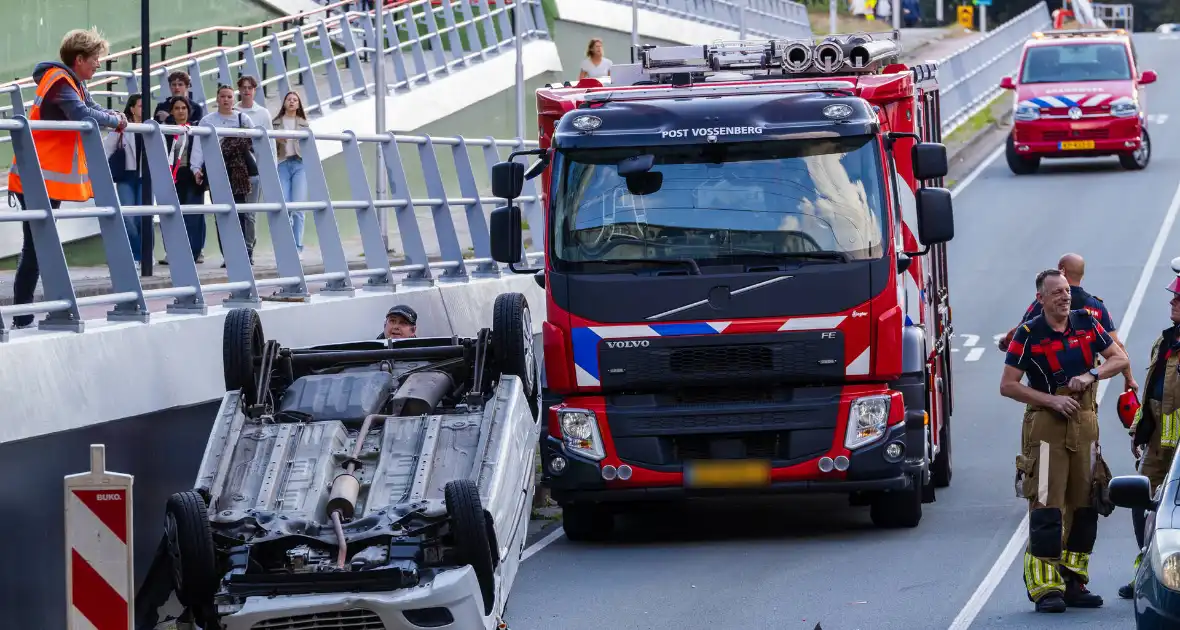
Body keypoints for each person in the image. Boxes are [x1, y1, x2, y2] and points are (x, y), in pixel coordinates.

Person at [1001, 268, 1129, 613]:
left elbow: (1119, 358)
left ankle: (1074, 581)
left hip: (1085, 424)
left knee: (1086, 503)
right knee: (1046, 505)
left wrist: (1091, 373)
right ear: (1040, 298)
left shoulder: (1087, 322)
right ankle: (1046, 587)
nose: (1064, 297)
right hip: (1045, 428)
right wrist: (1051, 400)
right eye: (1056, 292)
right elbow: (1008, 384)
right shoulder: (1028, 334)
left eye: (1066, 292)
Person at [7, 27, 127, 329]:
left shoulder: (68, 82)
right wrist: (115, 122)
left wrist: (115, 118)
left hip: (42, 178)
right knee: (36, 245)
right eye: (95, 59)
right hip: (37, 178)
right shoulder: (60, 82)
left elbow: (90, 106)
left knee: (37, 245)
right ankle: (22, 315)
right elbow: (81, 114)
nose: (99, 64)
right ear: (79, 58)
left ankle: (26, 313)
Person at [1118, 268, 1180, 599]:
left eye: (1179, 298)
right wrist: (1138, 431)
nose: (1172, 301)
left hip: (1179, 453)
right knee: (1145, 506)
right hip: (1157, 448)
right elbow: (1152, 394)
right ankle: (1146, 571)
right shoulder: (1166, 340)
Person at [997, 253, 1137, 394]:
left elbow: (1019, 331)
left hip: (1046, 391)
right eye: (1059, 292)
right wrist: (1129, 378)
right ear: (1082, 275)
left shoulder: (1043, 302)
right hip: (1085, 387)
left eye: (1067, 291)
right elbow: (1118, 346)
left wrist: (1006, 342)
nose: (1065, 297)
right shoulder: (1096, 307)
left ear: (1062, 270)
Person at [191, 84, 257, 266]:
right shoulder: (207, 121)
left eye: (229, 96)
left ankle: (245, 253)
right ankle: (228, 256)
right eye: (222, 96)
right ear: (217, 99)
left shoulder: (243, 119)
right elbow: (198, 146)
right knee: (222, 213)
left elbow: (256, 141)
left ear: (233, 99)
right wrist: (196, 168)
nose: (226, 100)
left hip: (239, 172)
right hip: (216, 170)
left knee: (240, 213)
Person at [103, 94, 145, 266]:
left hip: (145, 178)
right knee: (128, 218)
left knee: (144, 217)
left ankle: (145, 255)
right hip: (126, 176)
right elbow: (106, 149)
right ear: (132, 108)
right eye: (140, 106)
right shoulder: (122, 127)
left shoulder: (151, 126)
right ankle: (136, 255)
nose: (143, 109)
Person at [272, 91, 310, 254]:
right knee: (285, 205)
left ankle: (297, 247)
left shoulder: (303, 123)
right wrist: (276, 139)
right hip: (282, 163)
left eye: (295, 100)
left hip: (299, 163)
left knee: (299, 207)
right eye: (289, 99)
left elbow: (309, 144)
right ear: (284, 103)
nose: (292, 102)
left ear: (299, 104)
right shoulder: (275, 122)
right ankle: (285, 246)